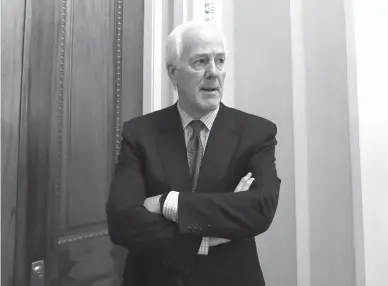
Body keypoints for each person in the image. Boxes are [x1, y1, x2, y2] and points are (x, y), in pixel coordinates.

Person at [106, 20, 281, 286]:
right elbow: (122, 221)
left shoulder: (256, 132)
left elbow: (260, 209)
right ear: (173, 72)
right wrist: (205, 237)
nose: (214, 72)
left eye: (220, 61)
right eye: (200, 61)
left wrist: (168, 203)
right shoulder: (139, 133)